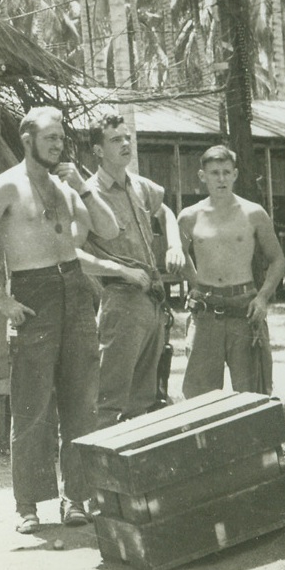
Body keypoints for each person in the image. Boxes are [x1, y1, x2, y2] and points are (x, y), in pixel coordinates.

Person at [0, 106, 120, 534]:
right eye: (50, 137)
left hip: (74, 289)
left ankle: (77, 498)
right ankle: (28, 504)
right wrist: (3, 300)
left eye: (61, 137)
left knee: (80, 402)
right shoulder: (6, 186)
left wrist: (82, 186)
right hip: (33, 292)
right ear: (28, 140)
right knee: (32, 405)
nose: (58, 144)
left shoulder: (65, 187)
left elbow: (109, 229)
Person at [79, 113, 186, 427]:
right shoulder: (89, 194)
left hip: (152, 299)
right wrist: (119, 270)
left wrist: (174, 244)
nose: (126, 144)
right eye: (116, 140)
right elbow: (70, 252)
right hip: (120, 300)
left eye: (126, 138)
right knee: (108, 402)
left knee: (143, 400)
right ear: (98, 150)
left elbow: (165, 211)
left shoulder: (139, 185)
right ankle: (96, 474)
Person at [178, 146, 285, 398]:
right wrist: (195, 282)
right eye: (214, 173)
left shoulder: (254, 213)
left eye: (227, 172)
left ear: (235, 174)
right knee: (200, 397)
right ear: (202, 176)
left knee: (253, 394)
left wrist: (262, 297)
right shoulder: (189, 217)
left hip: (244, 309)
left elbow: (277, 259)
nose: (221, 179)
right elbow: (178, 253)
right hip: (205, 313)